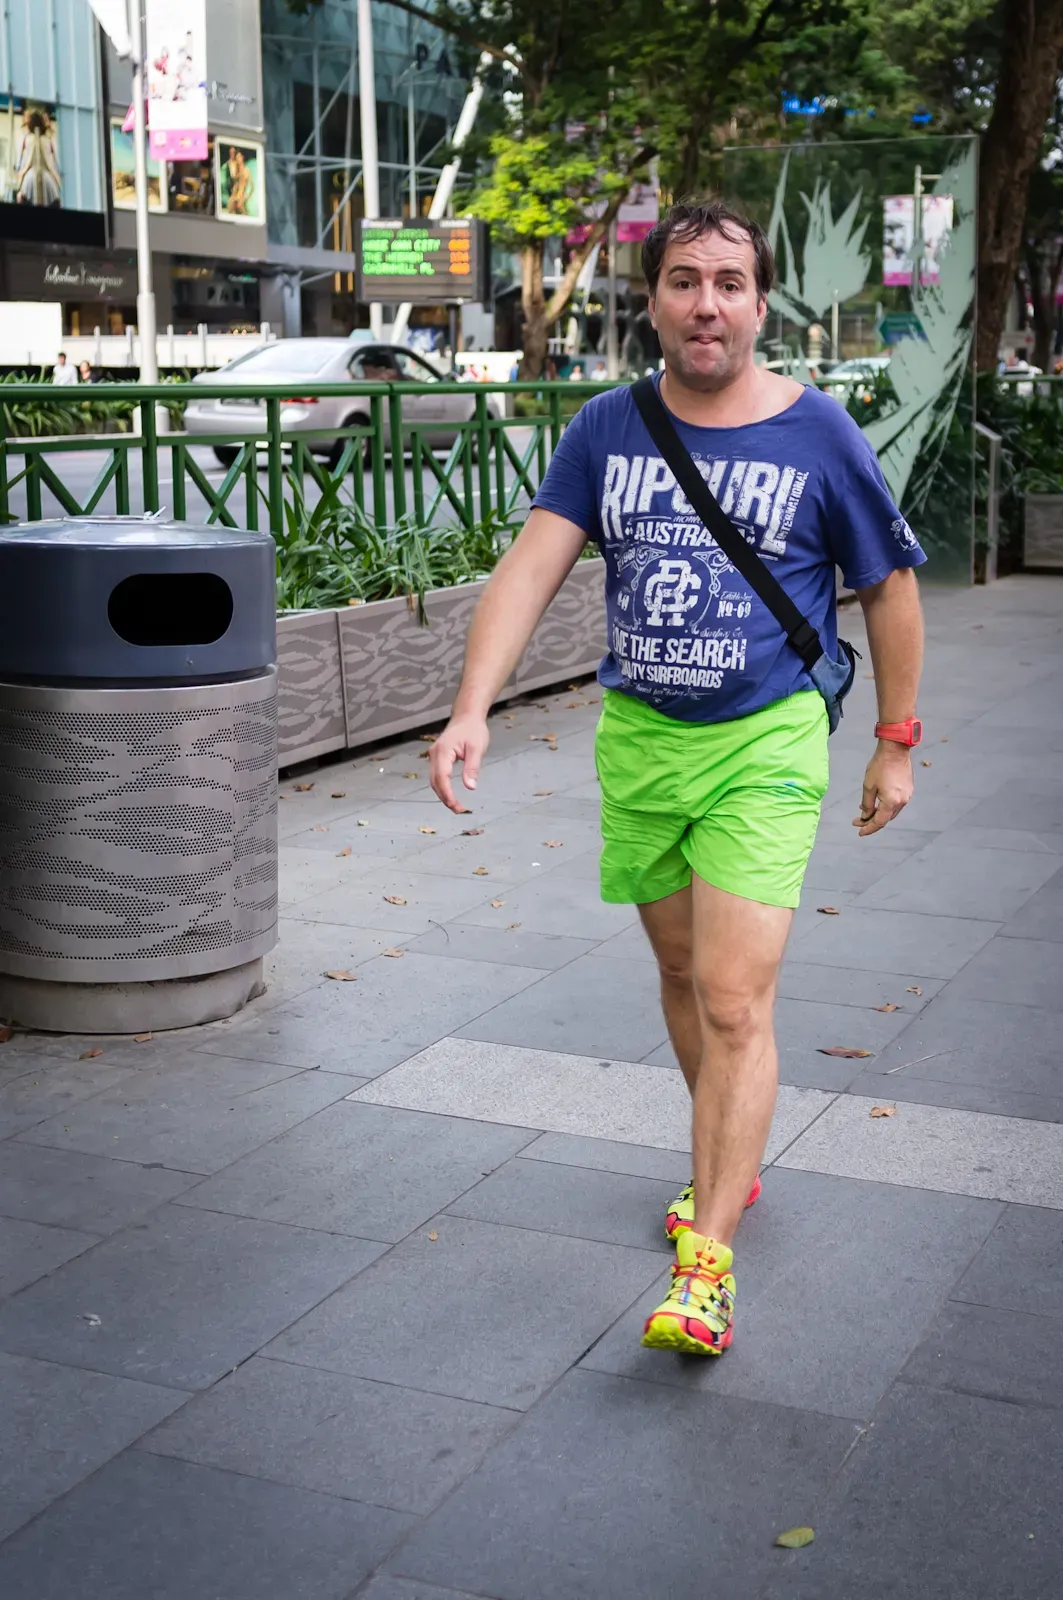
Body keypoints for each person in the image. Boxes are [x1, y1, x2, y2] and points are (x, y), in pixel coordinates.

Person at [430, 199, 925, 1358]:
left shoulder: (818, 435)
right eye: (685, 281)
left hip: (766, 739)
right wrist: (469, 708)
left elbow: (890, 586)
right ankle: (731, 1158)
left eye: (730, 284)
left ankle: (705, 1264)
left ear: (760, 303)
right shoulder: (609, 425)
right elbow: (530, 566)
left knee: (734, 998)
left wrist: (894, 740)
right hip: (642, 738)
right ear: (650, 298)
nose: (708, 304)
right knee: (677, 969)